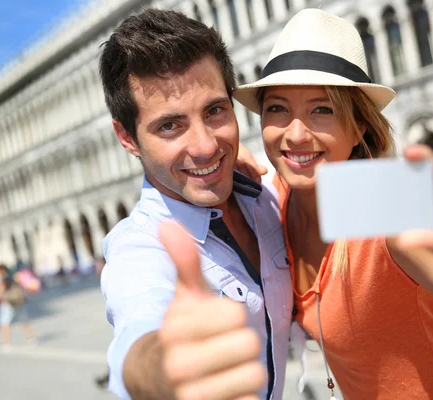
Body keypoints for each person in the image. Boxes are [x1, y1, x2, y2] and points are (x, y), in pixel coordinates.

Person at [233, 8, 433, 399]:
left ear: (357, 128)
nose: (295, 134)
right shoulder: (276, 200)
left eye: (322, 110)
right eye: (277, 108)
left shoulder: (378, 198)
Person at [98, 8, 292, 400]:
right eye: (169, 125)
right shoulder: (141, 246)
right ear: (128, 138)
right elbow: (139, 328)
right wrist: (167, 369)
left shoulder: (265, 196)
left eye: (215, 110)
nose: (205, 146)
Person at [0, 264, 35, 350]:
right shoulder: (15, 276)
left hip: (7, 303)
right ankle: (31, 339)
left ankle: (6, 343)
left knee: (4, 323)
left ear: (1, 270)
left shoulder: (3, 279)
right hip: (18, 301)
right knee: (24, 320)